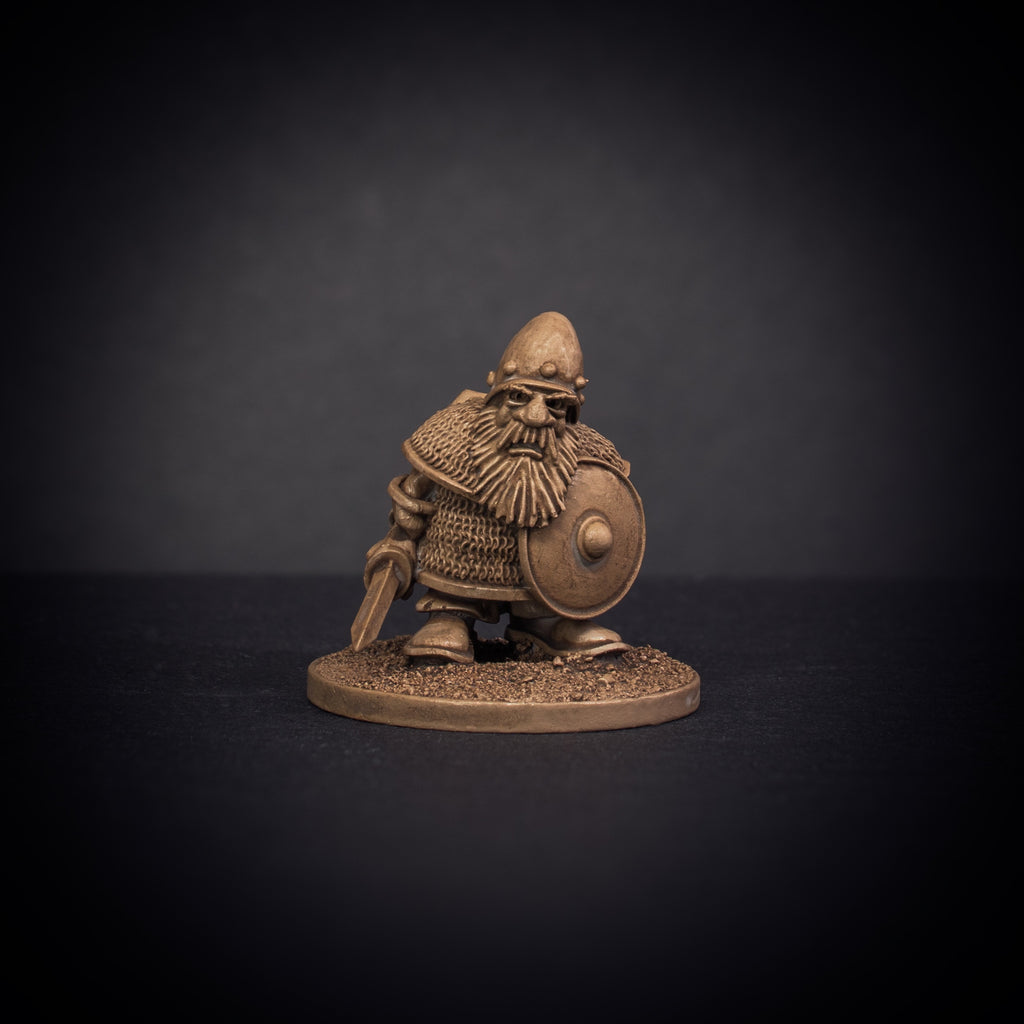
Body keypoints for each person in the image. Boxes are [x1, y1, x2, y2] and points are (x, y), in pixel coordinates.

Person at [360, 311, 640, 664]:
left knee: (548, 603)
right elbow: (413, 494)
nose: (536, 417)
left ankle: (547, 622)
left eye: (554, 404)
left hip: (545, 588)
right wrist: (404, 529)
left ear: (570, 411)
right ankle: (452, 615)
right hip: (460, 567)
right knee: (453, 595)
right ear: (497, 395)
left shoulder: (589, 453)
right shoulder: (450, 436)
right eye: (519, 397)